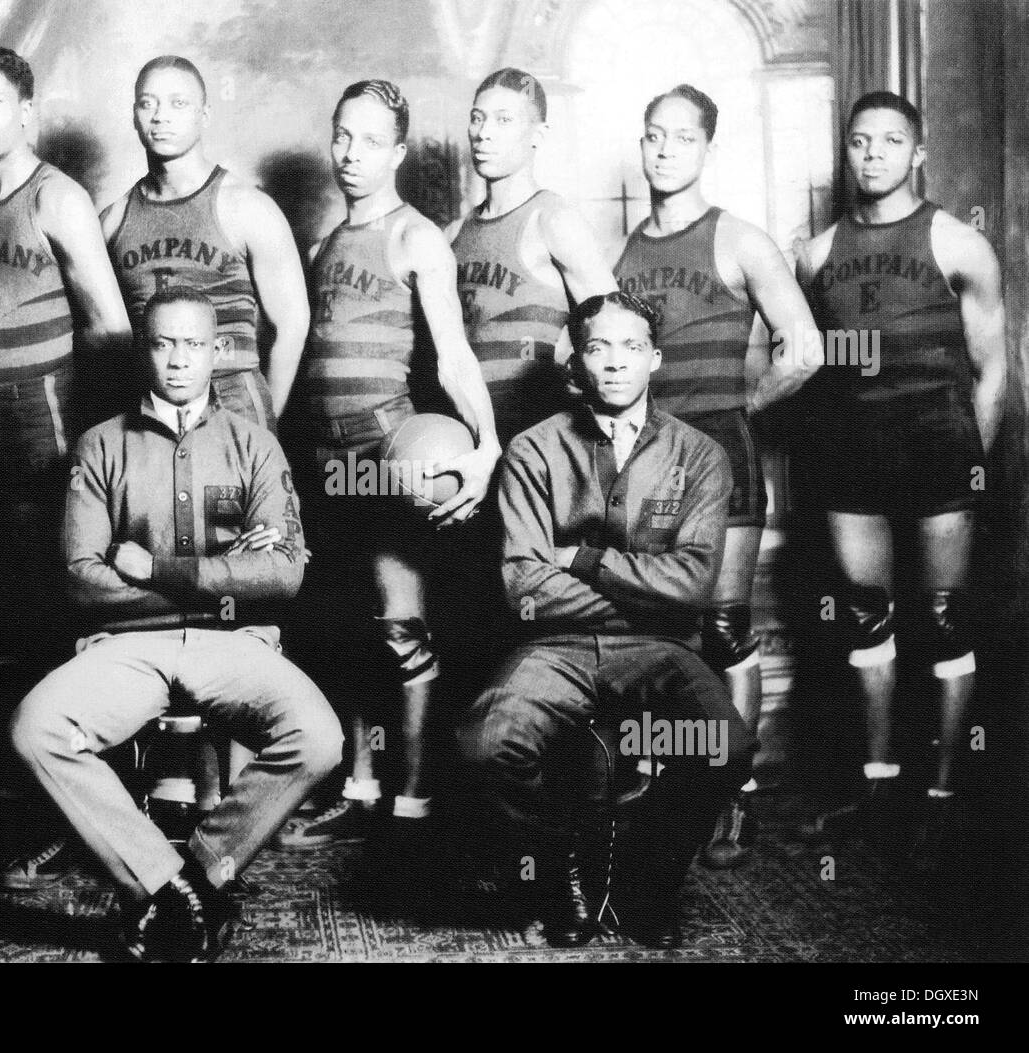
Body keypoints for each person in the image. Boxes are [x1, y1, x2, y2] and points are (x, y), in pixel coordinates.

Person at [10, 286, 342, 962]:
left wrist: (148, 568)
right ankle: (167, 887)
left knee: (319, 738)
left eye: (194, 344)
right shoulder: (100, 444)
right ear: (145, 349)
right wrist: (224, 580)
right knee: (35, 728)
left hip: (233, 645)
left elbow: (284, 575)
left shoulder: (256, 446)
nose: (179, 360)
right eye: (164, 343)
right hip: (132, 649)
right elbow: (80, 582)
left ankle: (195, 873)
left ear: (217, 351)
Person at [456, 291, 753, 949]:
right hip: (553, 648)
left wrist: (582, 558)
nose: (614, 362)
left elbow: (692, 588)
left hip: (663, 649)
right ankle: (561, 871)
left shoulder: (700, 454)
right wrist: (643, 588)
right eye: (597, 347)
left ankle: (648, 879)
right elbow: (522, 588)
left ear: (655, 358)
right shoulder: (533, 450)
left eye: (629, 347)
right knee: (485, 743)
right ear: (576, 363)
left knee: (723, 745)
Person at [276, 79, 501, 849]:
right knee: (341, 626)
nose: (350, 154)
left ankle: (413, 800)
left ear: (399, 153)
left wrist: (487, 444)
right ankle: (359, 785)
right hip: (320, 453)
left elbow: (456, 356)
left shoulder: (417, 238)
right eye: (342, 136)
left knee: (400, 626)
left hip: (386, 449)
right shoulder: (319, 245)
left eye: (371, 141)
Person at [613, 84, 823, 867]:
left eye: (680, 138)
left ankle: (734, 797)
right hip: (649, 468)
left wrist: (740, 410)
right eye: (651, 136)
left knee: (726, 628)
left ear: (707, 147)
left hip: (722, 459)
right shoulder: (625, 253)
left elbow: (804, 348)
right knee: (663, 632)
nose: (663, 151)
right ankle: (667, 783)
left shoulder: (740, 239)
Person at [795, 92, 1005, 861]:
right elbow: (803, 367)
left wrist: (967, 464)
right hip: (851, 459)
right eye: (859, 141)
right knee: (864, 614)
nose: (873, 154)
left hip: (937, 452)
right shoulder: (815, 255)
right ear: (845, 151)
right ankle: (879, 786)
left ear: (918, 153)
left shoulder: (957, 243)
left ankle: (942, 796)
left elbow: (992, 368)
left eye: (890, 141)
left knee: (944, 616)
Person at [0, 46, 131, 689]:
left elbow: (110, 328)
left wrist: (109, 446)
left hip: (45, 409)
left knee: (55, 580)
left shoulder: (57, 197)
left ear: (25, 112)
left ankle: (68, 754)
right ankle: (10, 769)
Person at [102, 55, 308, 432]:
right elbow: (103, 337)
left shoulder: (246, 206)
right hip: (148, 406)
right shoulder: (113, 219)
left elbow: (293, 323)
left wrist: (264, 422)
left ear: (205, 114)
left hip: (233, 400)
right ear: (134, 116)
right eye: (149, 103)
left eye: (178, 103)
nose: (161, 116)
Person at [450, 67, 618, 447]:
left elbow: (617, 330)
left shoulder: (554, 220)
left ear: (537, 135)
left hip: (539, 439)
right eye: (477, 118)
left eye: (503, 120)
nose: (483, 132)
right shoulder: (451, 234)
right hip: (466, 440)